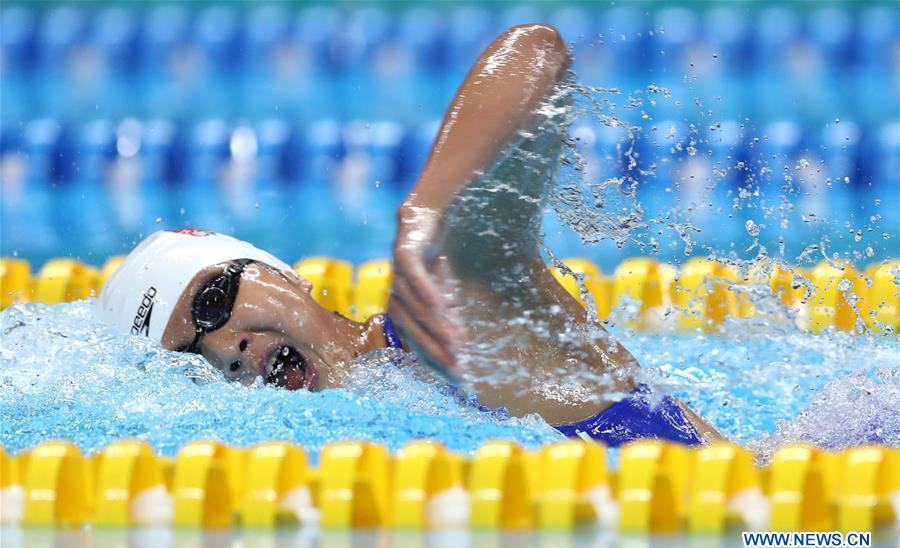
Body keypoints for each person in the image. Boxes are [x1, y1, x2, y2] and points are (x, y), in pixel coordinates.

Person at [96, 24, 719, 446]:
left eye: (212, 301)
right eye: (189, 356)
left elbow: (537, 50)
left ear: (281, 273)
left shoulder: (450, 323)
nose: (224, 347)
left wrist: (424, 210)